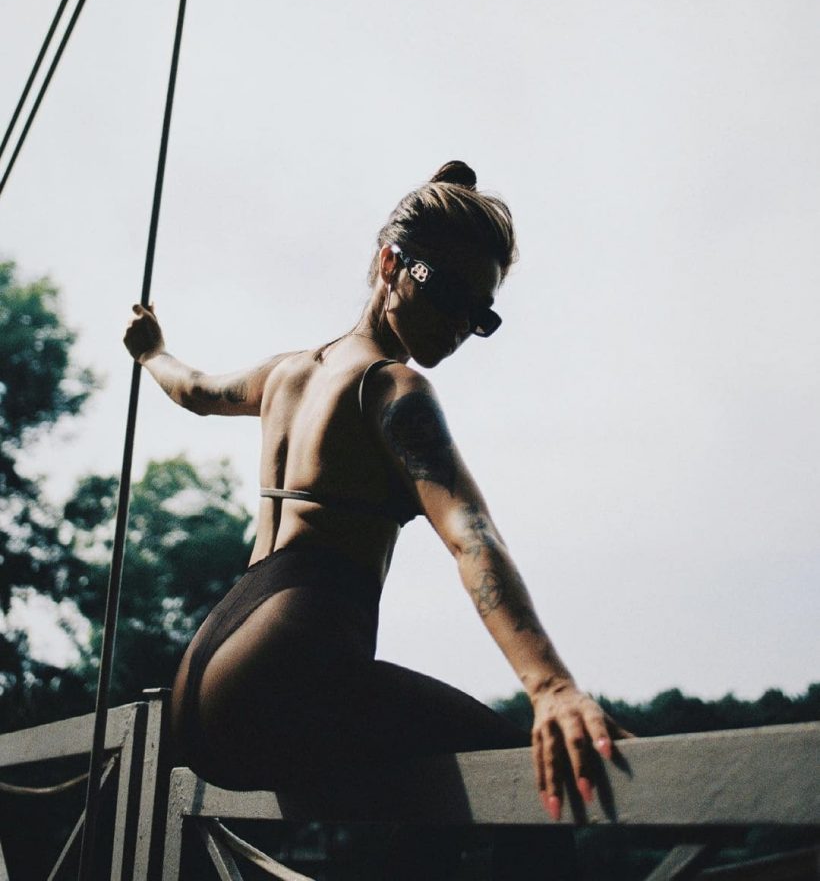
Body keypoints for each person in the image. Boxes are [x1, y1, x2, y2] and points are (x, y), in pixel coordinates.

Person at [124, 160, 630, 826]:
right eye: (448, 293)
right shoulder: (393, 388)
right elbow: (470, 534)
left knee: (408, 821)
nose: (460, 322)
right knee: (531, 788)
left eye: (480, 314)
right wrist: (552, 686)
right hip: (281, 680)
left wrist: (151, 353)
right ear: (391, 264)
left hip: (205, 682)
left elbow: (195, 391)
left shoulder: (287, 374)